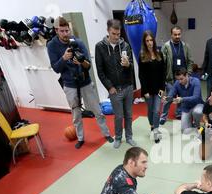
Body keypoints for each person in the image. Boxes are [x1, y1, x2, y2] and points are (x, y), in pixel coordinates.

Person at [47, 17, 113, 149]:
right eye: (62, 31)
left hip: (85, 82)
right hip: (69, 84)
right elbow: (55, 68)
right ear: (56, 31)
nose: (66, 34)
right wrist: (64, 59)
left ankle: (106, 134)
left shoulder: (78, 42)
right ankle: (81, 138)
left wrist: (81, 62)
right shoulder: (52, 45)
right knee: (76, 115)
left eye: (67, 30)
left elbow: (88, 65)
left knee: (97, 110)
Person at [95, 19, 136, 149]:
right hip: (114, 90)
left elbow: (131, 67)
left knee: (129, 115)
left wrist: (128, 64)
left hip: (128, 87)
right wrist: (109, 87)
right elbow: (100, 71)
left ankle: (129, 137)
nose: (117, 37)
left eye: (118, 34)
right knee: (119, 117)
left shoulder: (125, 46)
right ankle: (118, 137)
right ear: (108, 31)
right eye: (114, 34)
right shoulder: (100, 47)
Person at [160, 26, 194, 124]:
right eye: (175, 34)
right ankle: (163, 116)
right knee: (169, 98)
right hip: (171, 78)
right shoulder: (166, 46)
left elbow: (190, 61)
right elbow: (162, 63)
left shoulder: (185, 46)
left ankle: (179, 113)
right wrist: (164, 78)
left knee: (181, 97)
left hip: (183, 78)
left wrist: (189, 74)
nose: (177, 36)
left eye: (179, 34)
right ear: (171, 34)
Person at [139, 30, 166, 144]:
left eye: (151, 40)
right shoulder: (142, 56)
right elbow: (141, 75)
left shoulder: (159, 54)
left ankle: (156, 130)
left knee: (156, 111)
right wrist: (144, 91)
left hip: (158, 88)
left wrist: (162, 88)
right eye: (147, 41)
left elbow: (163, 73)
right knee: (150, 111)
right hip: (148, 90)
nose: (149, 43)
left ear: (154, 41)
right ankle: (152, 125)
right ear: (144, 42)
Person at [163, 68, 204, 134]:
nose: (179, 81)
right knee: (185, 131)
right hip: (186, 108)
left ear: (187, 75)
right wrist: (167, 98)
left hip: (197, 104)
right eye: (178, 79)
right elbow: (172, 92)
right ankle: (191, 124)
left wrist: (182, 99)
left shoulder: (196, 81)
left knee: (197, 112)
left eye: (181, 79)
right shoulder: (177, 83)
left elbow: (196, 97)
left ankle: (198, 125)